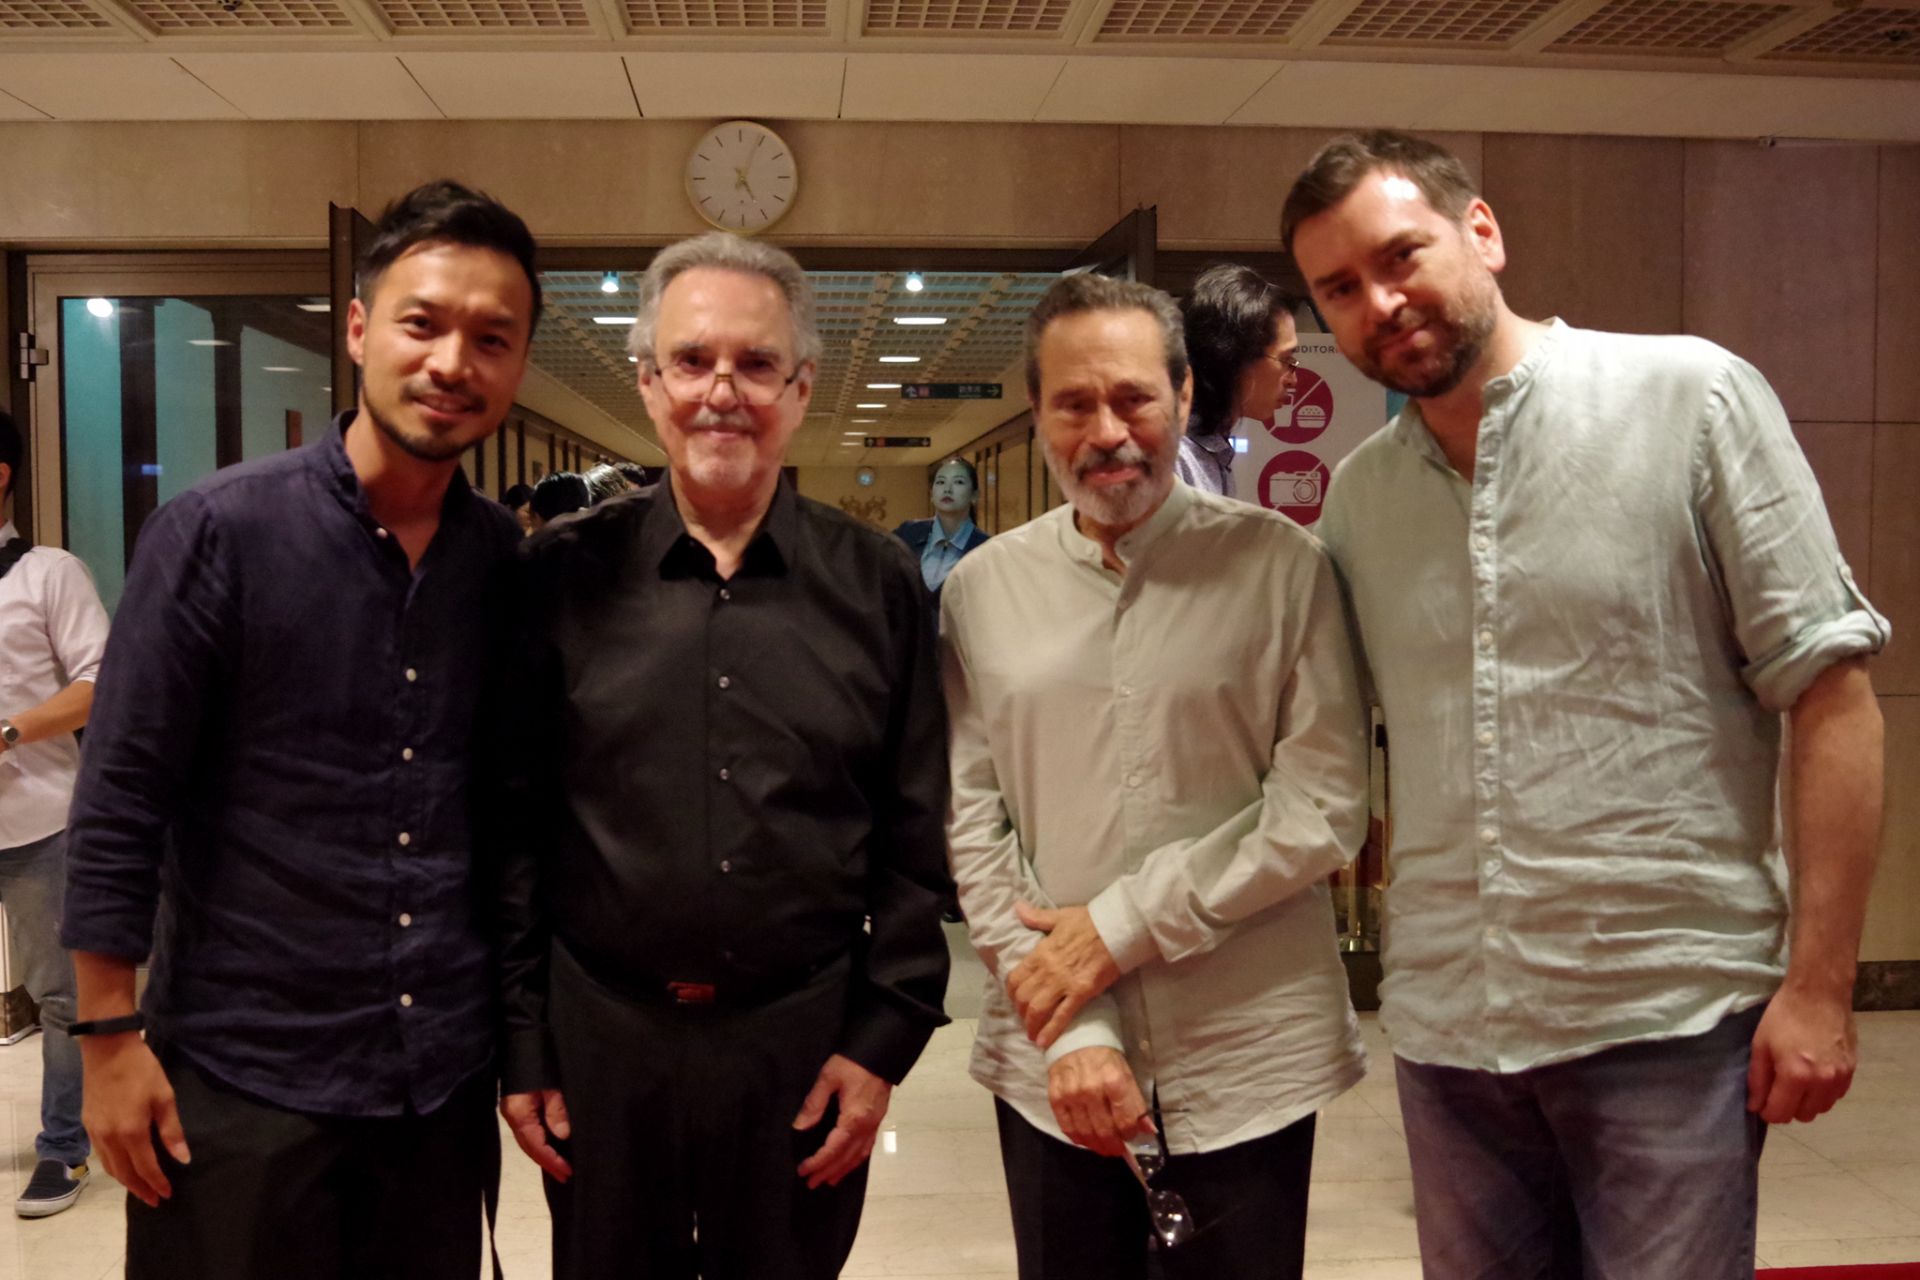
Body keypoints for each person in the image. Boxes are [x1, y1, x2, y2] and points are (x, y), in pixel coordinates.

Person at [1283, 129, 1890, 1279]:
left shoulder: (1688, 398)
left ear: (1482, 231)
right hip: (1452, 1034)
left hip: (1666, 1018)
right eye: (1341, 289)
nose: (1381, 302)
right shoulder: (1359, 501)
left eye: (1401, 256)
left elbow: (1833, 694)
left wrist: (1820, 985)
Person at [61, 180, 538, 1279]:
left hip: (434, 1087)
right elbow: (122, 795)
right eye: (422, 323)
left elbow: (505, 813)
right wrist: (107, 1038)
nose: (452, 362)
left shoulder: (501, 564)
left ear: (516, 366)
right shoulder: (218, 534)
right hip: (243, 1078)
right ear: (360, 329)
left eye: (491, 338)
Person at [494, 230, 951, 1280]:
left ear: (801, 388)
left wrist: (882, 1039)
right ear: (649, 383)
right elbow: (515, 823)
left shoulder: (877, 582)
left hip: (802, 1042)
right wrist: (522, 1041)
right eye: (692, 361)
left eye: (755, 364)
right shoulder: (558, 577)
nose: (722, 392)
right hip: (603, 1041)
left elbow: (918, 826)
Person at [940, 272, 1369, 1279]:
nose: (1108, 432)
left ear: (1183, 394)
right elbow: (972, 825)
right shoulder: (981, 592)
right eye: (1073, 403)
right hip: (1051, 1061)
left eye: (1134, 397)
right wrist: (1075, 1025)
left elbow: (1322, 806)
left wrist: (1120, 926)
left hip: (1249, 1048)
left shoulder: (1284, 568)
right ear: (1037, 412)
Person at [0, 409, 109, 1218]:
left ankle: (64, 1147)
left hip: (39, 819)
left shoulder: (49, 573)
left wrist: (8, 733)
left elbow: (100, 681)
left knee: (61, 996)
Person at [1176, 264, 1303, 497]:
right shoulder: (1174, 459)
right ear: (1234, 357)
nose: (1293, 380)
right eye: (1285, 359)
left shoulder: (1213, 450)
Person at [892, 457, 989, 606]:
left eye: (958, 482)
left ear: (974, 495)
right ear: (931, 494)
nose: (947, 489)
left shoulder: (987, 549)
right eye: (941, 482)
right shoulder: (908, 533)